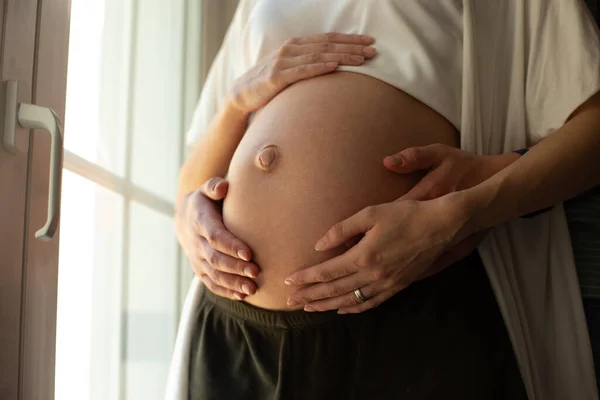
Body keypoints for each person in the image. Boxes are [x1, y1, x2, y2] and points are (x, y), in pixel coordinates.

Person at [166, 1, 600, 399]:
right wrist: (193, 207)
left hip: (412, 303)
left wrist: (470, 208)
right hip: (233, 325)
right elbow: (192, 177)